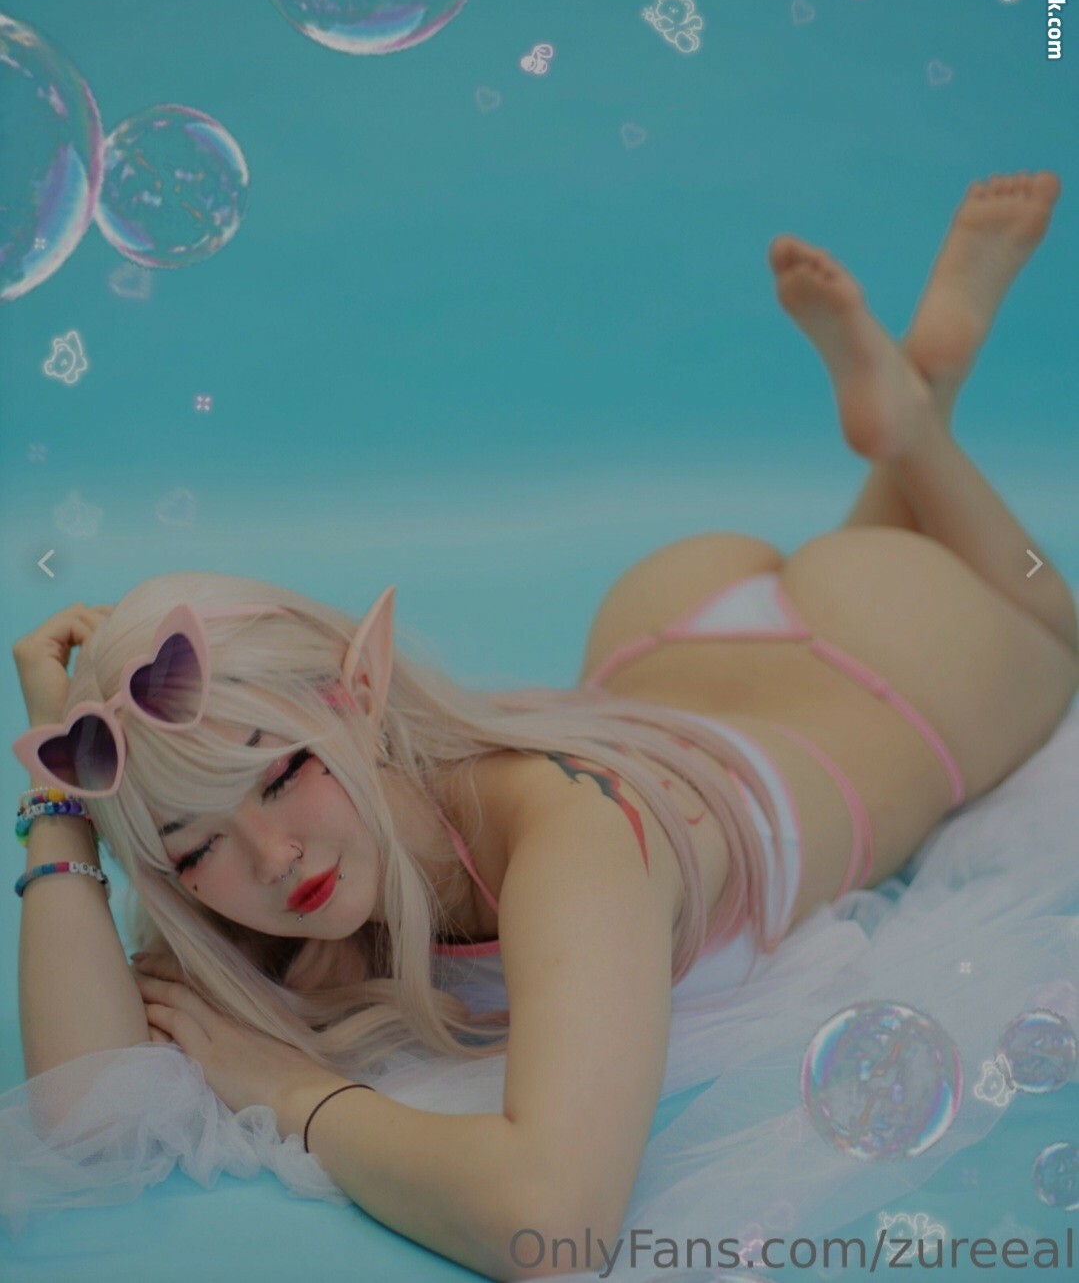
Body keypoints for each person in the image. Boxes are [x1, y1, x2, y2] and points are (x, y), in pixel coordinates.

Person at [6, 169, 1077, 1280]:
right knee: (950, 586)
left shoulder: (569, 833)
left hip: (879, 661)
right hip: (666, 645)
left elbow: (553, 1225)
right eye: (195, 847)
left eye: (281, 777)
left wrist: (292, 1091)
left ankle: (917, 422)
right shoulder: (271, 893)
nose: (272, 857)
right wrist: (59, 796)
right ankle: (908, 408)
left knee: (1047, 623)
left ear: (360, 691)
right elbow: (88, 1114)